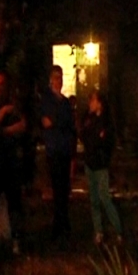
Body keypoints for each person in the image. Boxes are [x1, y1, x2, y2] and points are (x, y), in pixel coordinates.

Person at [0, 71, 27, 254]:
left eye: (0, 84)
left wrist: (9, 129)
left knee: (15, 202)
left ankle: (16, 238)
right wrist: (6, 124)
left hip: (11, 161)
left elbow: (24, 126)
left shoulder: (13, 105)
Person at [39, 65, 76, 243]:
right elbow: (47, 122)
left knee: (64, 187)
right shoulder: (47, 99)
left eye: (60, 77)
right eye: (55, 77)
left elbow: (69, 124)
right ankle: (59, 223)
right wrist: (58, 120)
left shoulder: (65, 102)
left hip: (64, 149)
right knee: (57, 187)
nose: (58, 80)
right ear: (50, 79)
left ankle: (64, 221)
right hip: (54, 148)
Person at [81, 89, 123, 244]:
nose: (89, 104)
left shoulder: (106, 121)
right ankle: (98, 231)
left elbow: (106, 142)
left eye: (92, 100)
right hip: (90, 163)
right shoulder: (88, 118)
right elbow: (85, 136)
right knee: (94, 199)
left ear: (99, 103)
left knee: (104, 197)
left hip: (101, 164)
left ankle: (118, 230)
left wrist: (99, 143)